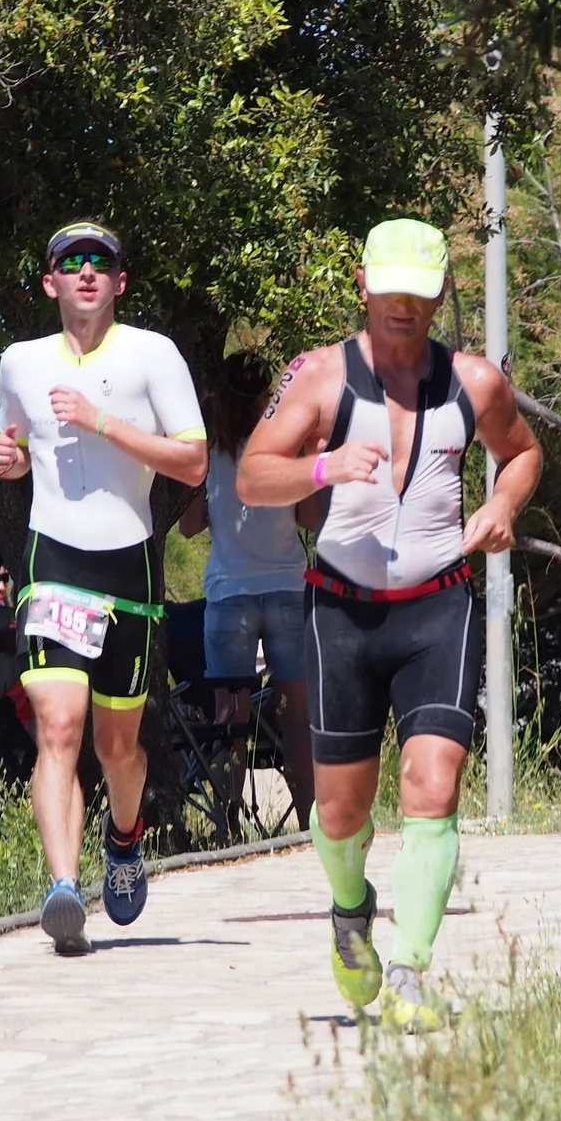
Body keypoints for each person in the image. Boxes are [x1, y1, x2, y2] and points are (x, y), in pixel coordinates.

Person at [238, 218, 542, 1033]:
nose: (402, 305)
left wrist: (502, 505)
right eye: (389, 289)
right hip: (341, 612)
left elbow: (522, 453)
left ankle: (409, 969)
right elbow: (252, 476)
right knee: (341, 813)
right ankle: (350, 907)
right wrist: (323, 465)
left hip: (439, 607)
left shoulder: (475, 381)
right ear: (362, 284)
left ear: (440, 293)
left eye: (419, 291)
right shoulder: (318, 376)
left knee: (434, 786)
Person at [0, 220, 206, 953]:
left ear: (119, 282)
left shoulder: (153, 355)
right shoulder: (19, 361)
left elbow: (194, 463)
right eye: (71, 262)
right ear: (50, 281)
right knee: (58, 726)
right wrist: (9, 460)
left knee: (118, 749)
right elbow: (17, 444)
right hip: (52, 563)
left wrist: (101, 421)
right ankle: (63, 887)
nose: (86, 272)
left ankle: (124, 835)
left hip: (127, 568)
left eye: (100, 263)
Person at [178, 349, 318, 824]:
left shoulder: (211, 453)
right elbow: (309, 517)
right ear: (266, 397)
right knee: (296, 718)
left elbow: (189, 527)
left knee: (229, 719)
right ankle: (309, 821)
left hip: (229, 595)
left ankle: (227, 819)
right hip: (286, 588)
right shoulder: (283, 451)